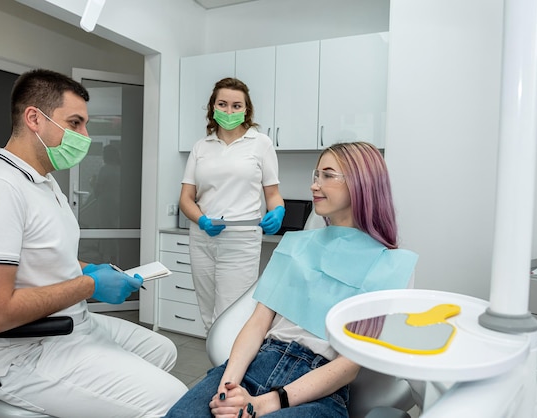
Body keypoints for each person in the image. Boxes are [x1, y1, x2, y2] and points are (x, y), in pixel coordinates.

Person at [0, 69, 187, 417]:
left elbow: (48, 256)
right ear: (34, 118)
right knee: (174, 399)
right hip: (25, 352)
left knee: (162, 350)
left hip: (74, 325)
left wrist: (91, 269)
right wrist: (89, 284)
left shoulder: (45, 185)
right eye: (75, 123)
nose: (85, 135)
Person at [166, 142, 418, 418]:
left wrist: (263, 404)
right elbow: (257, 323)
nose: (314, 185)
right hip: (259, 363)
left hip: (318, 390)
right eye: (315, 175)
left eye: (327, 175)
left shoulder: (391, 266)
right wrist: (228, 388)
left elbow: (350, 364)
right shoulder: (295, 246)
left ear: (361, 184)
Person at [179, 77, 285, 332]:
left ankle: (231, 370)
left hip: (241, 240)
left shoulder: (261, 143)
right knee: (208, 314)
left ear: (246, 109)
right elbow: (185, 199)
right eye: (223, 104)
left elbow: (273, 193)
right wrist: (202, 220)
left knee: (231, 314)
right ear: (212, 107)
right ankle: (218, 367)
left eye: (236, 106)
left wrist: (278, 210)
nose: (229, 111)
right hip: (203, 238)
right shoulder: (201, 147)